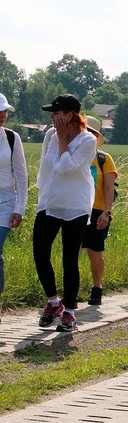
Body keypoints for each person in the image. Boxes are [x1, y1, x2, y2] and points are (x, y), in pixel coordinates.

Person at [34, 94, 96, 332]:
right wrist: (41, 197)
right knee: (40, 253)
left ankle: (69, 312)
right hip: (50, 202)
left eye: (56, 113)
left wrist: (62, 140)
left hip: (75, 205)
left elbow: (66, 167)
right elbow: (46, 166)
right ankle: (53, 302)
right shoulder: (50, 134)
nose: (52, 117)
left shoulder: (87, 141)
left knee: (69, 259)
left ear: (70, 115)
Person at [82, 116, 118, 306]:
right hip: (76, 210)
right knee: (71, 252)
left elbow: (109, 188)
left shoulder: (104, 159)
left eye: (91, 133)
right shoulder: (73, 155)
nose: (87, 136)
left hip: (97, 211)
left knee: (94, 251)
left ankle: (97, 288)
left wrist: (106, 212)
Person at [0, 93, 27, 324]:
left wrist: (20, 207)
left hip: (5, 205)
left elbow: (21, 174)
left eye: (5, 111)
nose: (2, 116)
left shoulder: (11, 138)